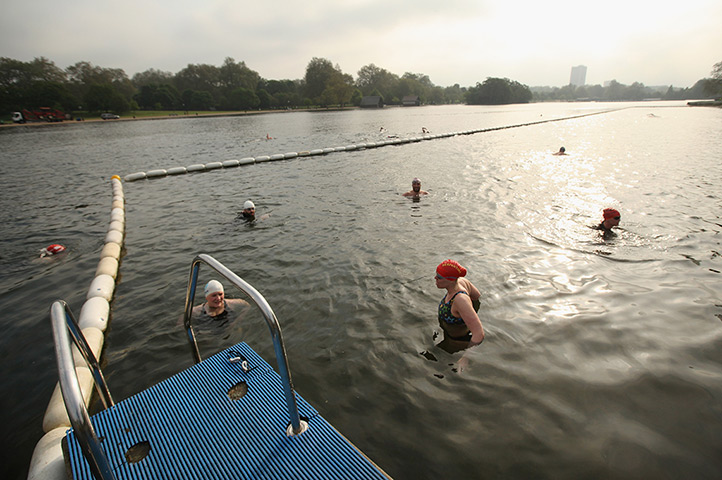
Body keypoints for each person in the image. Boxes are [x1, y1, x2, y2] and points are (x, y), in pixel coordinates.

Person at [435, 259, 485, 356]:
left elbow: (479, 334)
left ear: (451, 279)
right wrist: (469, 312)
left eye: (439, 277)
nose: (435, 278)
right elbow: (477, 296)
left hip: (457, 342)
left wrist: (465, 358)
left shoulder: (460, 300)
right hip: (448, 334)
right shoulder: (461, 281)